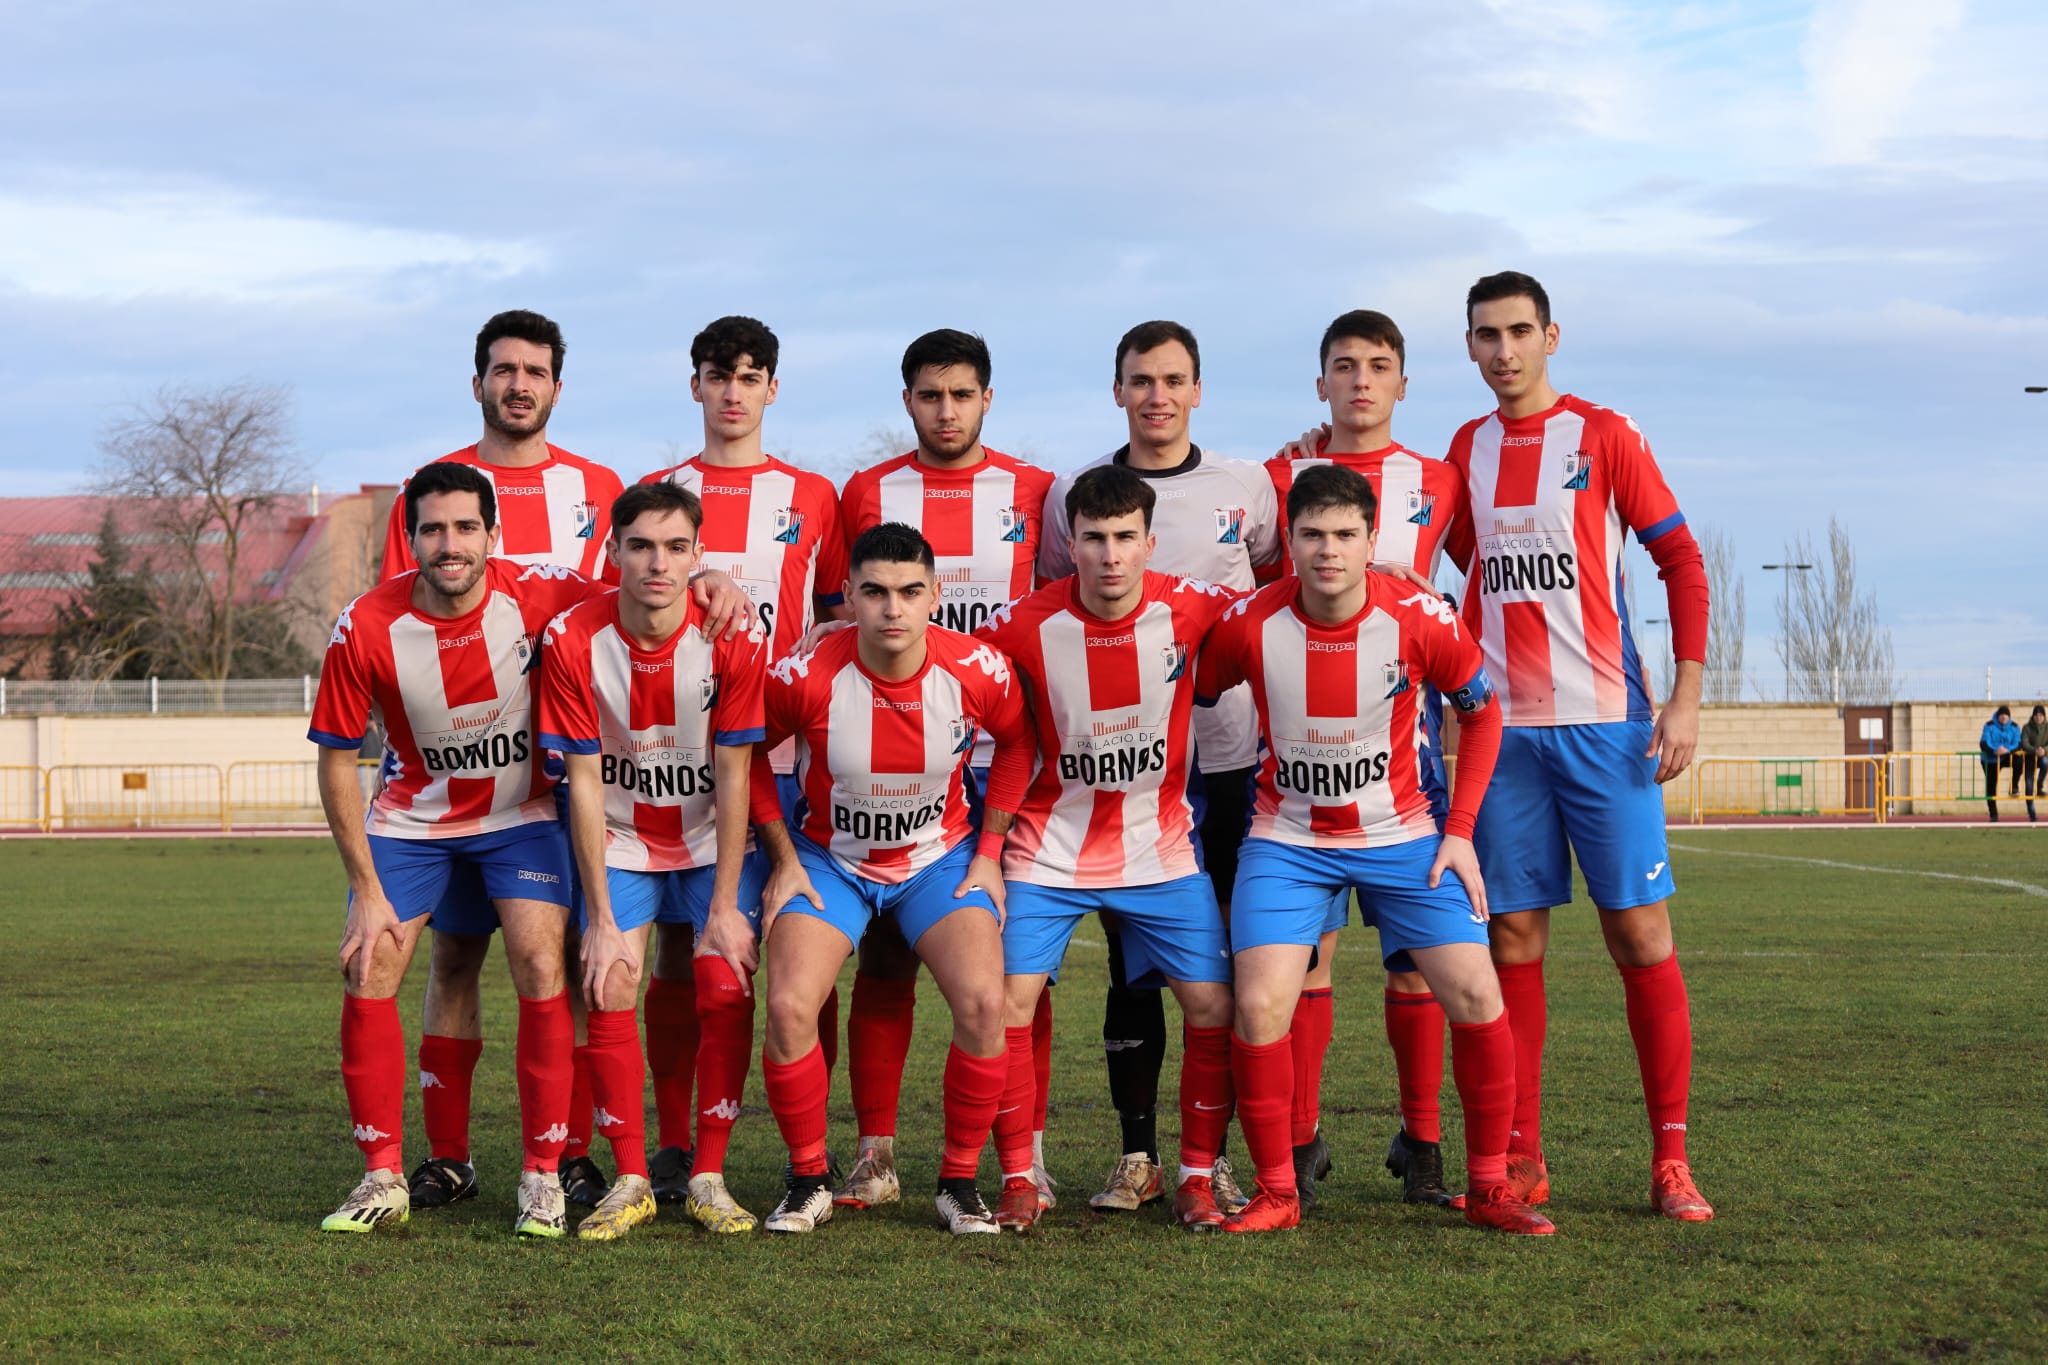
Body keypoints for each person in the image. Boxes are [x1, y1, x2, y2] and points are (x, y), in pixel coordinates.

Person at [1193, 463, 1549, 1236]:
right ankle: (1278, 1193)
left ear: (1370, 539)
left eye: (1345, 534)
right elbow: (1189, 691)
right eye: (1312, 534)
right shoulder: (1250, 622)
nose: (1328, 550)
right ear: (1288, 540)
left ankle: (1490, 1188)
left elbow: (1482, 716)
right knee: (1257, 1005)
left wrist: (1460, 835)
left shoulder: (1420, 615)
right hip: (1287, 840)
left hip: (1405, 838)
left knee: (1479, 996)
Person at [1442, 271, 1714, 1221]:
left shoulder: (1602, 434)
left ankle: (1670, 1159)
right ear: (1470, 346)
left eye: (1520, 331)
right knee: (1514, 936)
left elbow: (1680, 557)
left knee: (1639, 933)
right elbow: (1448, 559)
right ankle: (1522, 1154)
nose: (1504, 350)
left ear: (1552, 336)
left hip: (1606, 722)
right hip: (1504, 734)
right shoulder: (1464, 451)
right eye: (1487, 335)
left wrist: (1682, 699)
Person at [379, 311, 628, 1217]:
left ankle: (560, 1157)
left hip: (558, 779)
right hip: (448, 789)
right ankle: (448, 1157)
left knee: (556, 963)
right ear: (477, 380)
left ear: (558, 386)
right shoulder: (432, 488)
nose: (518, 384)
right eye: (502, 369)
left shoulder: (599, 487)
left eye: (534, 371)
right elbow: (392, 620)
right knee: (452, 961)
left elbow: (625, 604)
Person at [312, 462, 599, 1237]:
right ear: (409, 541)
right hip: (413, 822)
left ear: (493, 534)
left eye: (465, 527)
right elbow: (337, 757)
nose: (450, 543)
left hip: (522, 814)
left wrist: (709, 582)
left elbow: (638, 596)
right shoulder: (365, 625)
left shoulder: (544, 590)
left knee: (542, 961)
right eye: (433, 529)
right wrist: (365, 888)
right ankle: (386, 1173)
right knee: (374, 960)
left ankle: (542, 1174)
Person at [1039, 320, 1282, 1214]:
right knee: (1133, 970)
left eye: (1174, 379)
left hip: (1226, 763)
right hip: (1120, 775)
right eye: (1141, 380)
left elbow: (1266, 592)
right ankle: (1138, 1153)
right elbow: (1054, 610)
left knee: (1223, 966)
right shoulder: (1079, 492)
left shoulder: (1246, 485)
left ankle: (1212, 1155)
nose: (1158, 396)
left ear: (1197, 389)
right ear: (1118, 391)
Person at [975, 466, 1239, 1233]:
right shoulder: (1020, 623)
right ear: (1072, 543)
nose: (1111, 554)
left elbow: (1286, 605)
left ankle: (1192, 1174)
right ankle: (1022, 1177)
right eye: (1095, 537)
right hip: (1046, 849)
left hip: (1158, 850)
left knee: (1213, 1005)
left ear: (1149, 542)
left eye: (1126, 537)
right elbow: (938, 661)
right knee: (1006, 1006)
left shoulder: (1193, 605)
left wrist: (1390, 582)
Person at [751, 523, 1035, 1236]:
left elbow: (1019, 742)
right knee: (787, 1006)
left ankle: (960, 1182)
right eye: (873, 592)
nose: (892, 609)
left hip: (935, 861)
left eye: (910, 592)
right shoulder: (804, 673)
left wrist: (988, 851)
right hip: (829, 861)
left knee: (981, 1001)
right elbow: (748, 753)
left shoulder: (978, 668)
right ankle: (808, 1176)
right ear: (848, 595)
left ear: (936, 595)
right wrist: (783, 856)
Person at [833, 330, 1057, 1211]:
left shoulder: (1037, 492)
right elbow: (832, 613)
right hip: (892, 749)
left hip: (1005, 755)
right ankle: (875, 1154)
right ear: (908, 401)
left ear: (987, 399)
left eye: (962, 394)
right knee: (885, 960)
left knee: (1015, 966)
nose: (947, 409)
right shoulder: (866, 492)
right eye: (930, 395)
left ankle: (1022, 1151)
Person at [637, 316, 851, 1204]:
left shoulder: (814, 493)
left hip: (793, 759)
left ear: (773, 389)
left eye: (750, 376)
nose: (733, 391)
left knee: (809, 942)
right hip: (678, 758)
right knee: (682, 953)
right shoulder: (657, 490)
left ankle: (814, 1143)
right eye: (718, 375)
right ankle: (677, 1142)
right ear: (694, 385)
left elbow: (838, 620)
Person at [1265, 309, 1470, 1209]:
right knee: (1308, 954)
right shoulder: (1280, 476)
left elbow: (1482, 582)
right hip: (1301, 757)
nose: (1359, 382)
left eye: (1378, 366)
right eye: (1343, 366)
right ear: (1320, 383)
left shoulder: (1440, 480)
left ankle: (1421, 1142)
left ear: (1401, 383)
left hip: (1409, 754)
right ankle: (1302, 1144)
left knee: (1414, 961)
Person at [535, 481, 774, 1239]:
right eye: (639, 545)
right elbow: (578, 778)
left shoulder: (734, 633)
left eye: (676, 547)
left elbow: (736, 770)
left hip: (708, 838)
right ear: (612, 553)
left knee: (724, 975)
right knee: (610, 978)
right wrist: (599, 919)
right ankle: (632, 1176)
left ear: (700, 554)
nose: (657, 562)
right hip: (620, 837)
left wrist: (728, 905)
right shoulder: (573, 638)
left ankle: (707, 1172)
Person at [1980, 705, 2022, 821]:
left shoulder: (2014, 727)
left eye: (2006, 715)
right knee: (1991, 785)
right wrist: (1995, 750)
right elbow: (1984, 743)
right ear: (1998, 716)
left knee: (2019, 760)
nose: (2004, 717)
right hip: (1991, 759)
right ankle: (1993, 814)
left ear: (2009, 717)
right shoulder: (1989, 726)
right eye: (2001, 715)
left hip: (2006, 755)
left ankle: (2013, 786)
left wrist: (2007, 750)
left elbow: (2018, 743)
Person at [2022, 705, 2046, 822]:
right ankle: (2032, 815)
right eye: (2036, 715)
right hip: (2029, 758)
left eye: (2041, 715)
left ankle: (2040, 785)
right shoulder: (2026, 727)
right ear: (2033, 716)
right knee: (2029, 786)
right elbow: (2024, 743)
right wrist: (2035, 750)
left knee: (2046, 763)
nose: (2038, 717)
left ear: (2044, 716)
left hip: (2043, 757)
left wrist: (2044, 750)